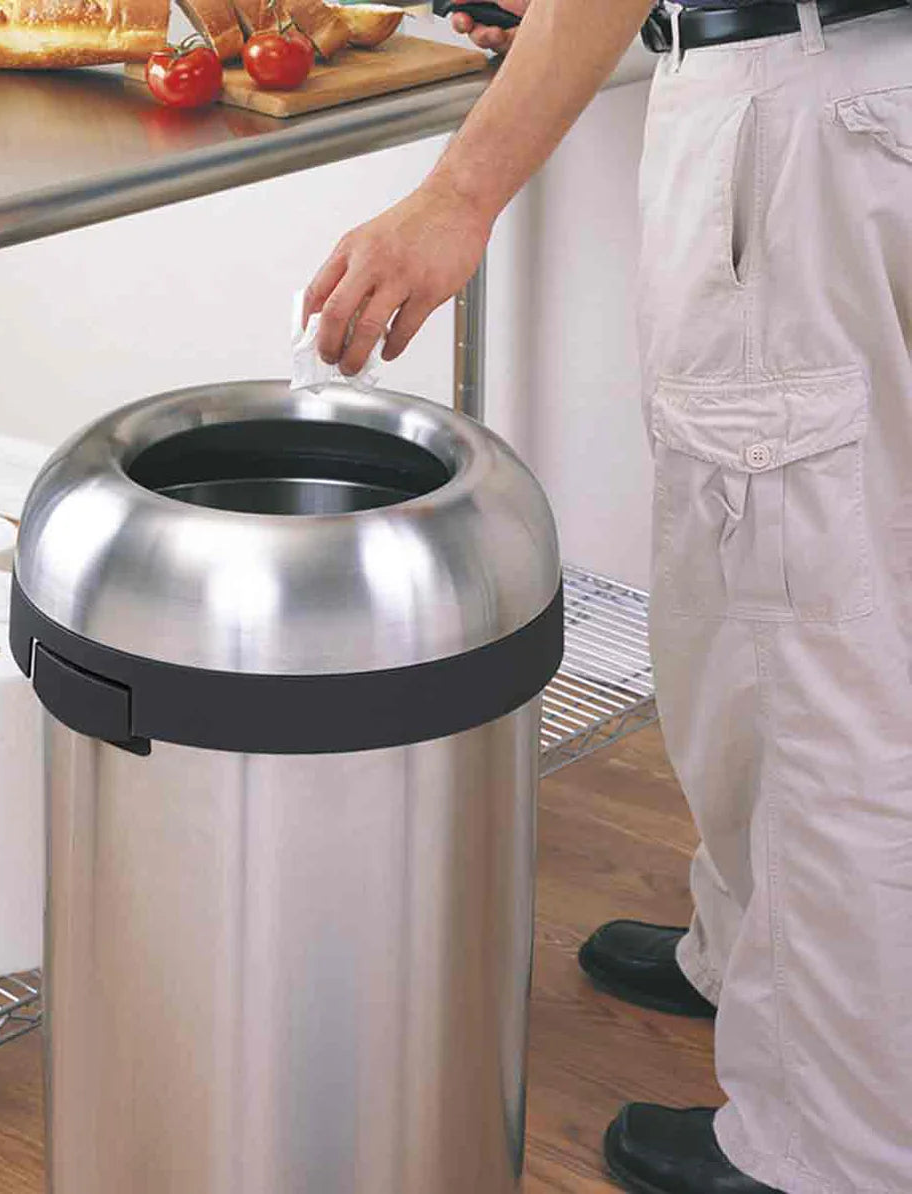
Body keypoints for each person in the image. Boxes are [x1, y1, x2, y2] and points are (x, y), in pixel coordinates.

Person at [302, 1, 912, 1191]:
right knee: (798, 613)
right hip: (860, 86)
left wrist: (459, 193)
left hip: (793, 112)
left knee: (802, 652)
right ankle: (755, 969)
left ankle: (831, 1151)